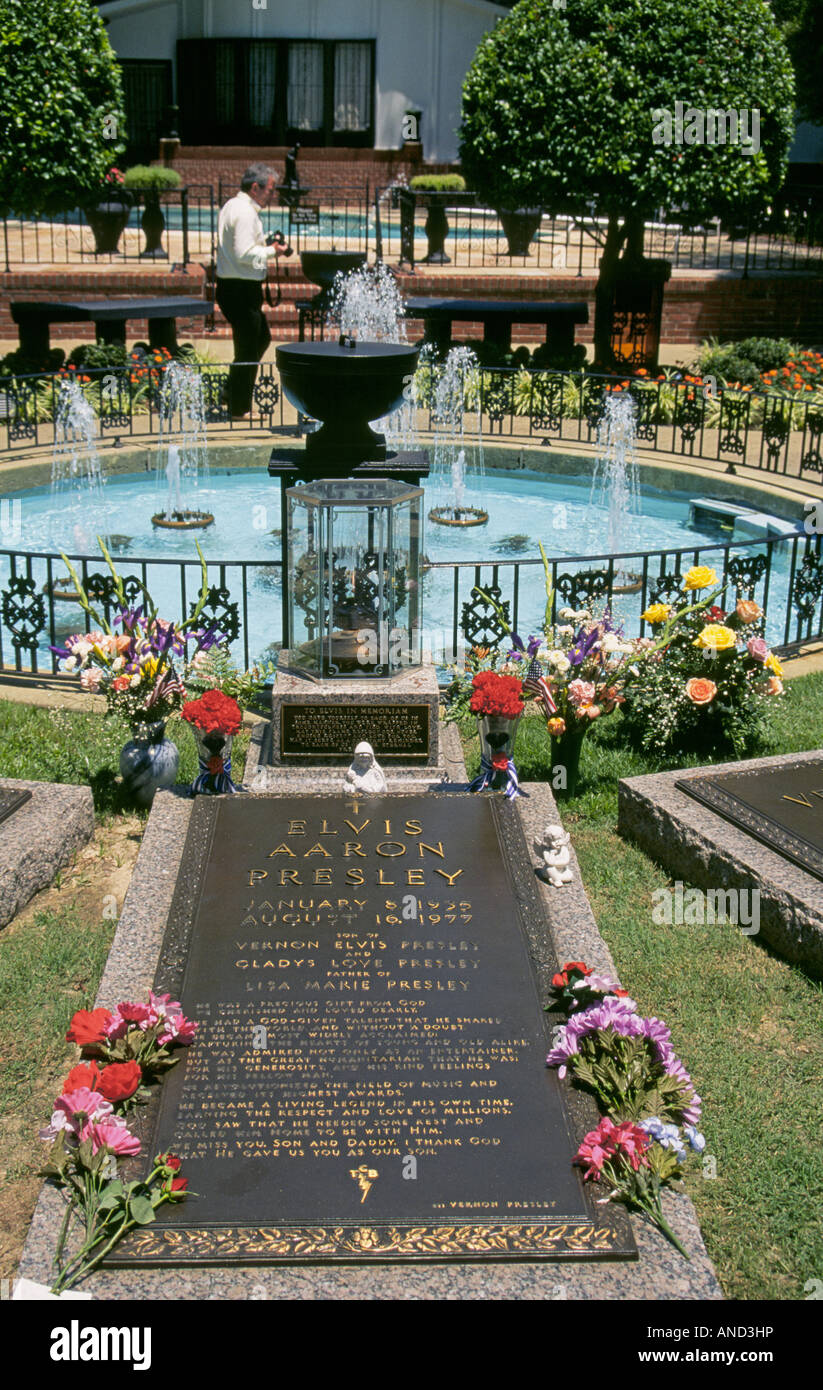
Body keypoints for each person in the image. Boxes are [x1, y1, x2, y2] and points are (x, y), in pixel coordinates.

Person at [215, 163, 291, 418]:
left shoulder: (232, 206)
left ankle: (232, 391)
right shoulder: (245, 213)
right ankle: (239, 408)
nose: (273, 194)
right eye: (270, 189)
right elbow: (244, 253)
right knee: (247, 348)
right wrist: (273, 251)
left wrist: (265, 246)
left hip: (234, 286)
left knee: (260, 339)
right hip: (241, 289)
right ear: (255, 187)